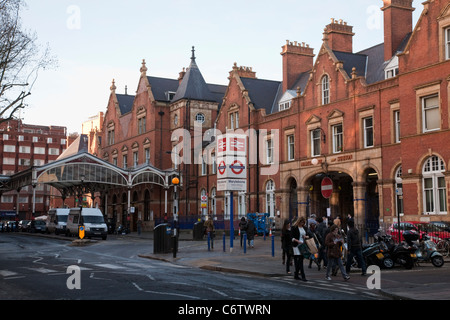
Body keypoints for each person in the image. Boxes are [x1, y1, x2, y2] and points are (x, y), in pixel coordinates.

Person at [291, 216, 308, 281]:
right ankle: (303, 276)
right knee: (299, 260)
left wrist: (305, 236)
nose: (302, 224)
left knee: (300, 260)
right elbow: (292, 237)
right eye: (301, 222)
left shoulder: (304, 228)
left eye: (303, 222)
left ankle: (296, 274)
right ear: (299, 221)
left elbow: (309, 235)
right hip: (296, 245)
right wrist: (297, 241)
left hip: (302, 245)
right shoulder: (294, 228)